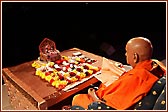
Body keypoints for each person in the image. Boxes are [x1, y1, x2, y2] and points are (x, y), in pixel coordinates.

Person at [71, 37, 166, 110]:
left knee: (77, 98)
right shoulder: (156, 65)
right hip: (117, 94)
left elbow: (107, 105)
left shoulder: (135, 77)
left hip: (103, 104)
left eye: (126, 52)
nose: (125, 54)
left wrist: (92, 94)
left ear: (135, 57)